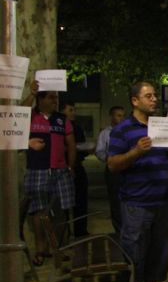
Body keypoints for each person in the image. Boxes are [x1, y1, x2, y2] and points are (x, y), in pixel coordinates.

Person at [108, 81, 168, 282]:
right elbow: (112, 165)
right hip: (136, 204)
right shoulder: (123, 129)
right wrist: (135, 152)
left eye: (154, 96)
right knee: (134, 253)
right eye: (148, 96)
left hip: (162, 202)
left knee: (159, 254)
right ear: (135, 101)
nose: (154, 100)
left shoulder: (160, 127)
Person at [25, 90, 76, 267]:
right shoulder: (31, 117)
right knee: (38, 212)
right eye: (50, 97)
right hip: (37, 170)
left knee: (61, 211)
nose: (55, 100)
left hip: (60, 171)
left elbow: (70, 144)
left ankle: (59, 249)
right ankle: (41, 248)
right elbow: (16, 115)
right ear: (40, 99)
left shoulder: (62, 120)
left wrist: (71, 165)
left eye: (56, 97)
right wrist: (32, 93)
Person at [95, 105, 126, 234]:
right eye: (118, 115)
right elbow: (99, 151)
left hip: (126, 169)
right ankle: (119, 229)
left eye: (123, 115)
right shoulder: (105, 133)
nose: (121, 118)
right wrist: (109, 159)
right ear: (112, 117)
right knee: (115, 200)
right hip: (113, 171)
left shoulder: (127, 131)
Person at [62, 102, 91, 237]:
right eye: (70, 110)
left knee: (80, 201)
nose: (73, 113)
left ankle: (80, 230)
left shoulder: (77, 128)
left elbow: (81, 147)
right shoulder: (60, 126)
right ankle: (65, 233)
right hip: (63, 167)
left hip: (78, 166)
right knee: (64, 204)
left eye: (73, 110)